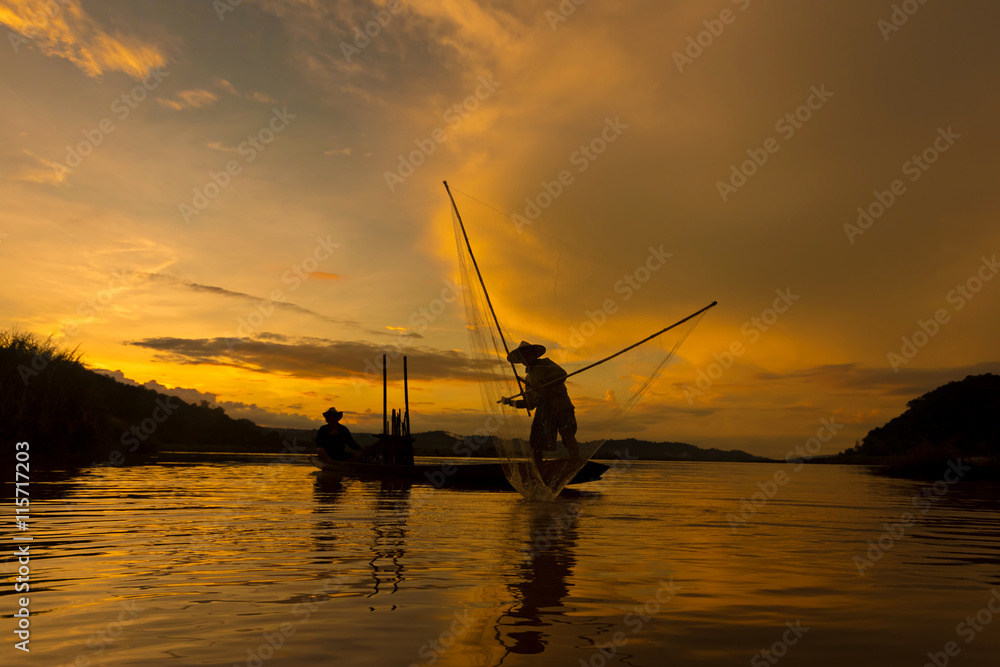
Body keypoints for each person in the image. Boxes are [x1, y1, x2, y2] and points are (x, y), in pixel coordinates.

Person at [502, 341, 581, 468]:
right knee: (535, 441)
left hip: (561, 406)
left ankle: (576, 462)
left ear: (534, 354)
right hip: (545, 412)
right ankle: (538, 467)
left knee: (567, 435)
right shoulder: (528, 378)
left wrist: (545, 384)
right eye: (523, 355)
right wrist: (510, 402)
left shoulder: (545, 364)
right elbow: (530, 403)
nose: (526, 357)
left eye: (528, 353)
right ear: (521, 360)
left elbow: (562, 374)